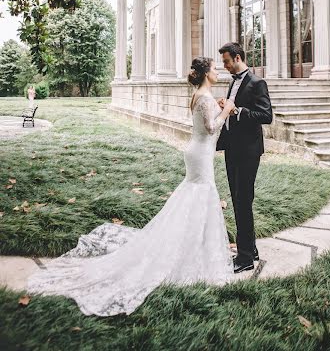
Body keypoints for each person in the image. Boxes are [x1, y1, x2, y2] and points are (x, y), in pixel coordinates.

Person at [27, 57, 235, 317]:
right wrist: (226, 110)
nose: (218, 72)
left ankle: (196, 247)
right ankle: (193, 252)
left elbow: (205, 121)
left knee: (193, 196)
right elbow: (211, 126)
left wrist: (218, 107)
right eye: (214, 69)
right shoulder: (205, 97)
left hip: (196, 152)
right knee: (200, 195)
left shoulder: (200, 95)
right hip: (201, 155)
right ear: (206, 74)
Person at [217, 42, 273, 274]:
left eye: (227, 61)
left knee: (242, 201)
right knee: (239, 199)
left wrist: (237, 111)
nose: (225, 66)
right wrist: (227, 107)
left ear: (238, 58)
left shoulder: (258, 82)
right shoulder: (232, 82)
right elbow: (232, 110)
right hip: (233, 149)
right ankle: (250, 248)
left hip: (248, 151)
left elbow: (266, 115)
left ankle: (245, 257)